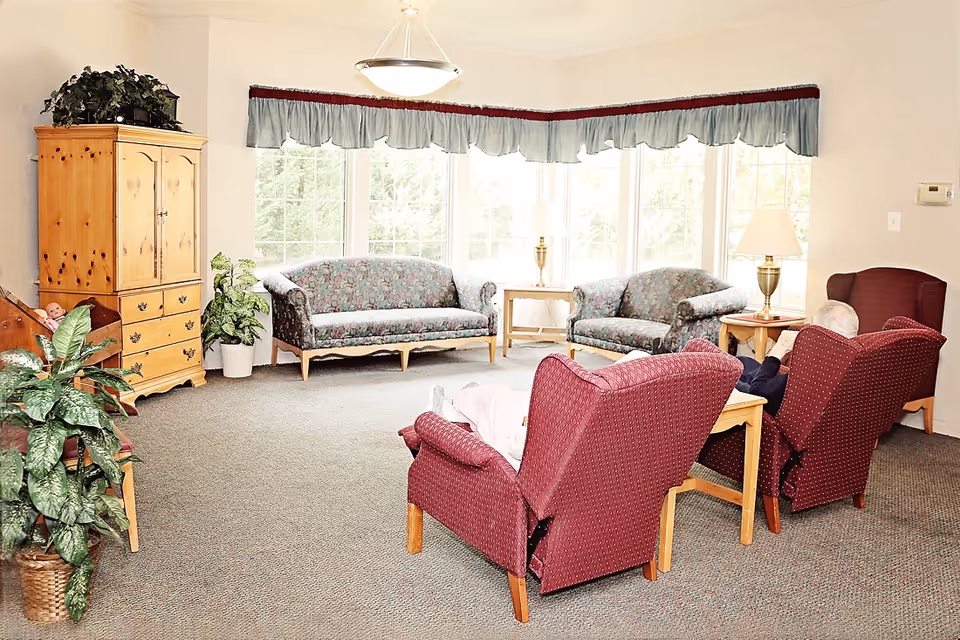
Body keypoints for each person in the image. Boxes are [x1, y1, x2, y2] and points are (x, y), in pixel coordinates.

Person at [735, 301, 859, 416]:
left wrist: (779, 350)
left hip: (764, 407)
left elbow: (757, 394)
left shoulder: (809, 373)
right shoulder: (858, 366)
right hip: (824, 427)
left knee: (730, 378)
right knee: (744, 363)